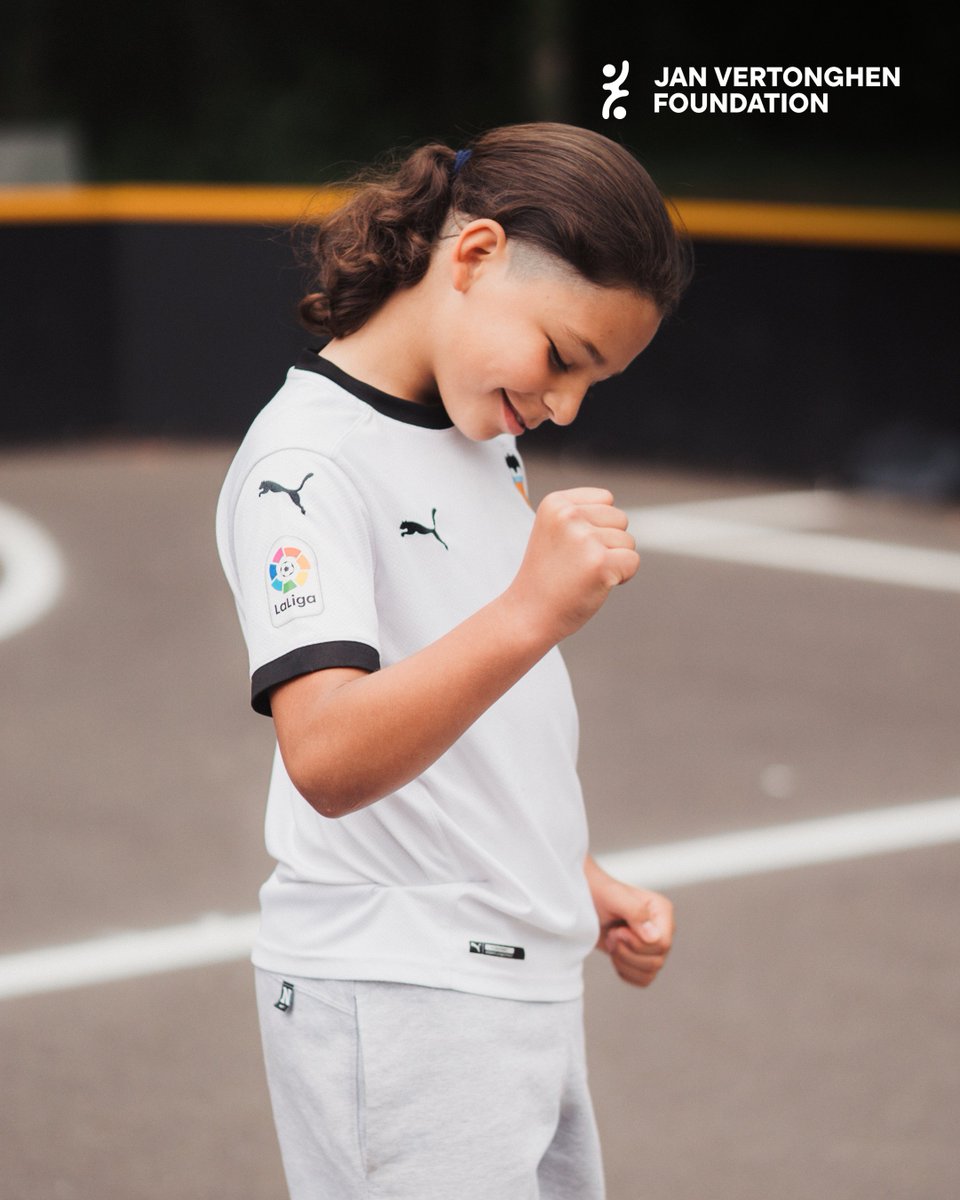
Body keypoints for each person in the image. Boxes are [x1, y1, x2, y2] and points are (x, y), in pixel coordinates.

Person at [216, 121, 692, 1200]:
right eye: (564, 357)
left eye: (594, 382)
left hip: (510, 979)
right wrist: (533, 610)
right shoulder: (305, 466)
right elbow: (328, 755)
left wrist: (568, 876)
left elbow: (460, 725)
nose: (565, 403)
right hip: (398, 988)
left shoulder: (481, 438)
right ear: (473, 256)